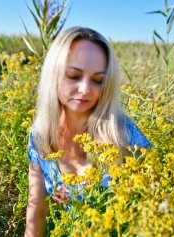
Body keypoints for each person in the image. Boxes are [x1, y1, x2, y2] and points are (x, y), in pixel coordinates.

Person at [25, 27, 152, 237]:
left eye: (98, 80)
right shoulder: (39, 136)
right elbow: (36, 210)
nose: (85, 89)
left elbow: (160, 202)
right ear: (53, 75)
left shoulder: (126, 135)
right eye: (73, 75)